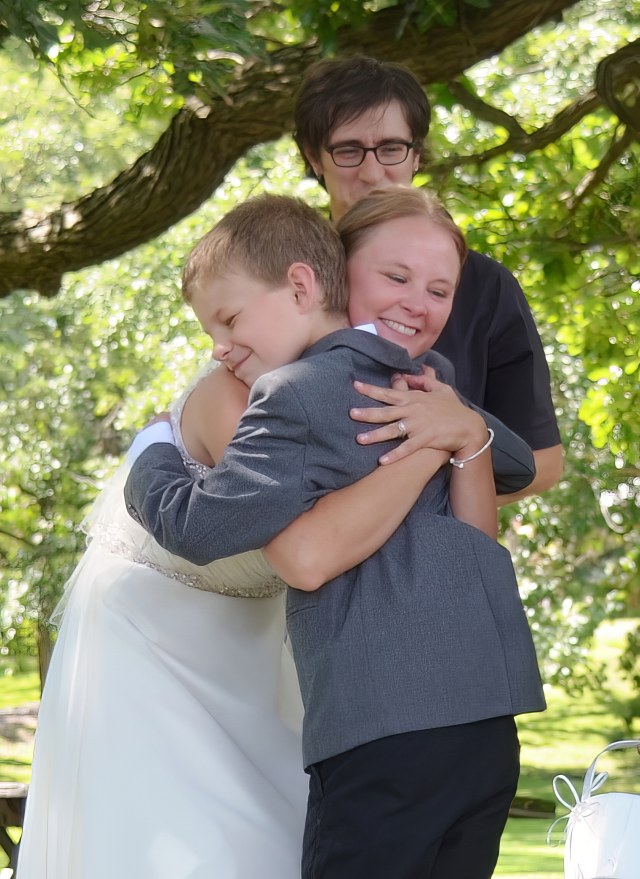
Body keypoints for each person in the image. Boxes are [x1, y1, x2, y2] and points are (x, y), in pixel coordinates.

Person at [17, 191, 517, 879]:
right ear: (337, 274)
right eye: (394, 277)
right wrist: (450, 435)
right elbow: (305, 551)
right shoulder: (373, 388)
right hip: (172, 648)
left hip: (385, 712)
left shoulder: (391, 389)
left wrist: (148, 456)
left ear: (305, 284)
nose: (414, 302)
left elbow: (468, 542)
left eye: (438, 288)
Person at [292, 54, 563, 500]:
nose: (373, 171)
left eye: (392, 148)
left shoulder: (487, 287)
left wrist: (454, 446)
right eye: (348, 150)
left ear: (416, 154)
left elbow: (543, 464)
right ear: (313, 157)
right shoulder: (283, 271)